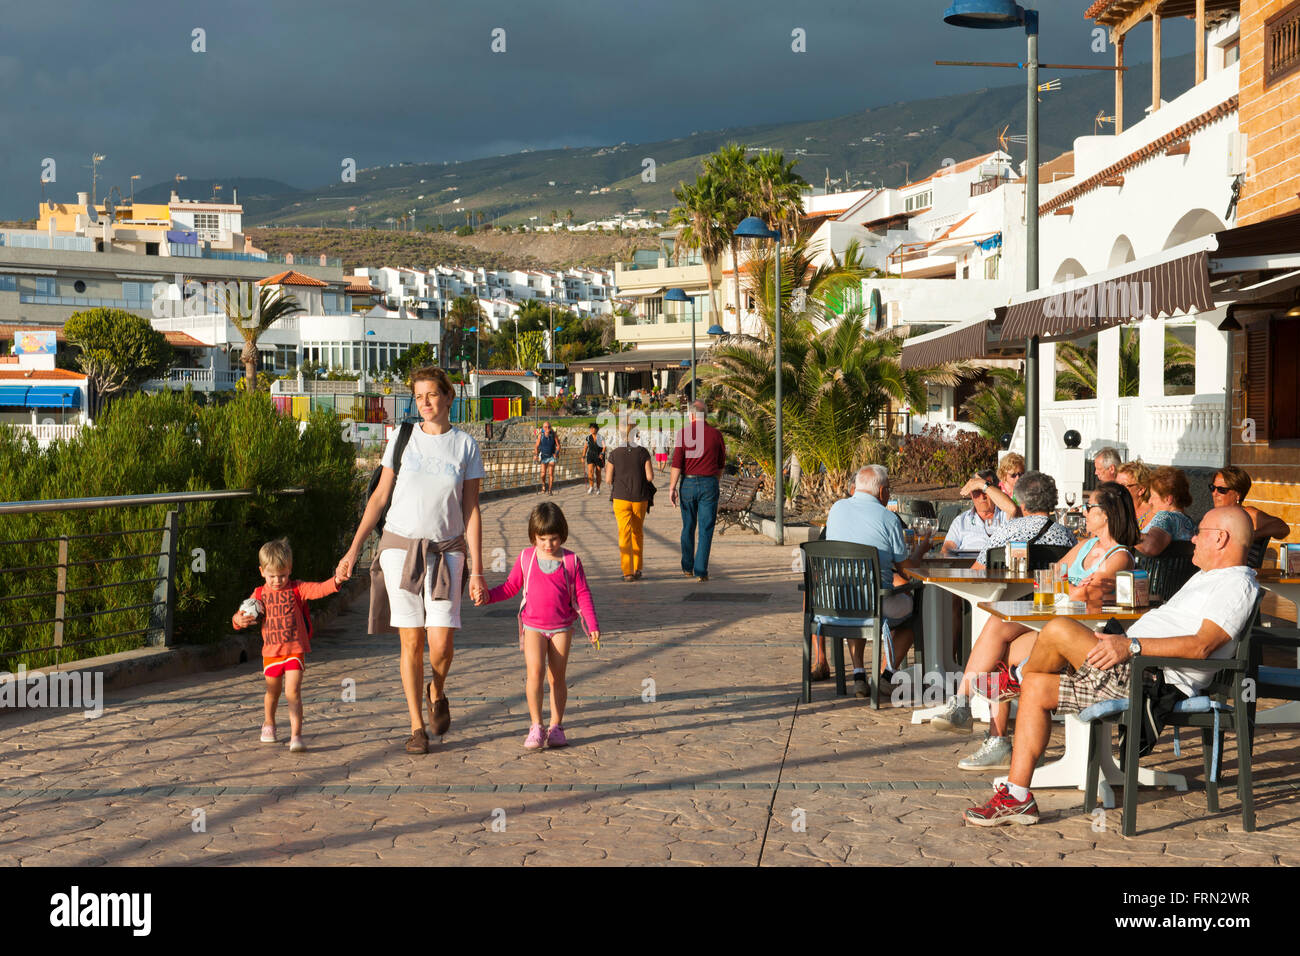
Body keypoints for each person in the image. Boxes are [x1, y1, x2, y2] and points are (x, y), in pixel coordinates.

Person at [963, 505, 1259, 826]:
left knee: (1059, 628)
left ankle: (1015, 678)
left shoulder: (1235, 585)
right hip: (1133, 663)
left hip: (1151, 674)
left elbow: (1203, 645)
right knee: (1038, 684)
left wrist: (1131, 645)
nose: (1192, 539)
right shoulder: (1206, 578)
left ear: (1221, 539)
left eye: (1199, 532)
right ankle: (1018, 796)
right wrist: (1119, 637)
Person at [933, 474, 1132, 771]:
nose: (1084, 512)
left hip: (1084, 635)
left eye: (1089, 508)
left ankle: (989, 729)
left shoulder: (1120, 556)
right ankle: (984, 724)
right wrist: (1070, 586)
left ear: (1107, 514)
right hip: (1057, 619)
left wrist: (1070, 586)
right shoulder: (1084, 545)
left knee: (999, 637)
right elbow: (1053, 577)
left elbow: (1082, 592)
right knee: (999, 629)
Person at [335, 366, 486, 755]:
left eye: (432, 395)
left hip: (446, 552)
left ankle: (437, 687)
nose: (425, 403)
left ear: (449, 398)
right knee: (411, 641)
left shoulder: (465, 446)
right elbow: (379, 498)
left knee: (441, 644)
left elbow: (471, 510)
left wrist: (478, 571)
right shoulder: (402, 438)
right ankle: (417, 726)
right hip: (399, 550)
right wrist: (354, 550)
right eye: (418, 396)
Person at [477, 503, 599, 749]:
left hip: (562, 627)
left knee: (557, 678)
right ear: (533, 536)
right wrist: (489, 596)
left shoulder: (571, 561)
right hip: (532, 626)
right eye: (542, 539)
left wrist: (592, 623)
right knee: (535, 673)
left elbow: (583, 593)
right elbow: (511, 587)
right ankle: (536, 725)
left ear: (561, 535)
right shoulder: (526, 558)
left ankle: (556, 726)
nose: (548, 544)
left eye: (553, 539)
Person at [820, 465, 928, 697]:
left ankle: (859, 674)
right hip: (874, 604)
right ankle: (887, 676)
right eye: (888, 489)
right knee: (915, 613)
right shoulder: (888, 518)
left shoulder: (836, 509)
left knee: (856, 599)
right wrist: (920, 550)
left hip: (837, 603)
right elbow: (906, 570)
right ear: (881, 492)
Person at [233, 538, 342, 753]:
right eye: (272, 576)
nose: (277, 580)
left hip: (295, 651)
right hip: (271, 654)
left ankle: (296, 736)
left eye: (282, 575)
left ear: (290, 570)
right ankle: (269, 724)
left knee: (293, 692)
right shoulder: (258, 596)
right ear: (262, 571)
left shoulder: (297, 589)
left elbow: (319, 589)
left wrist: (336, 580)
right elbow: (240, 616)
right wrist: (239, 620)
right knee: (272, 692)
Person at [669, 400, 727, 582]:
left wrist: (672, 488)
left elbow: (677, 464)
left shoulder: (683, 434)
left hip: (688, 484)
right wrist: (713, 481)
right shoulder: (716, 435)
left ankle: (687, 566)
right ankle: (701, 570)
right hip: (709, 483)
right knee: (705, 528)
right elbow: (721, 464)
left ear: (692, 415)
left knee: (688, 527)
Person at [606, 421, 656, 581]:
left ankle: (627, 571)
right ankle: (638, 568)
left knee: (624, 533)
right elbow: (650, 477)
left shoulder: (614, 454)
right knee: (637, 532)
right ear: (636, 434)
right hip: (640, 497)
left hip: (620, 498)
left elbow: (607, 479)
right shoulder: (643, 453)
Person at [1210, 466, 1290, 546]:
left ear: (1238, 495)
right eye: (1212, 488)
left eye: (1221, 490)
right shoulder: (1217, 515)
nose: (1214, 493)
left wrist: (1253, 535)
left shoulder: (1246, 514)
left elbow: (1282, 528)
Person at [943, 468, 1007, 556]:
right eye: (977, 490)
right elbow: (947, 550)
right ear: (971, 494)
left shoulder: (1007, 516)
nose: (982, 496)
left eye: (986, 490)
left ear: (997, 490)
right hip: (966, 567)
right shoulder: (961, 521)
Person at [1136, 466, 1195, 557]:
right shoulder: (1189, 523)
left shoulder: (1165, 517)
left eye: (1152, 496)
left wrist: (1122, 532)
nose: (1149, 501)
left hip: (1149, 571)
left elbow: (1149, 547)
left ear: (1168, 499)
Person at [959, 454, 1025, 519]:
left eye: (1021, 474)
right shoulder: (996, 489)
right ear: (1004, 475)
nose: (1018, 478)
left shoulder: (1025, 490)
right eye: (1013, 475)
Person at [1116, 460, 1154, 528]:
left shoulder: (1151, 516)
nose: (1117, 489)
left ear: (1141, 490)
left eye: (1123, 485)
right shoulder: (1116, 508)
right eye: (1116, 484)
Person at [535, 420, 560, 495]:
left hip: (552, 456)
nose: (547, 428)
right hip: (543, 456)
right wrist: (536, 455)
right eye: (545, 427)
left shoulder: (554, 435)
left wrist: (556, 453)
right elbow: (536, 446)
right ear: (543, 428)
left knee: (551, 473)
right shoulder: (540, 435)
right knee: (543, 474)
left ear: (550, 427)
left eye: (549, 426)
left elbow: (558, 446)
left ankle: (550, 490)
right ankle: (543, 485)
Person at [583, 422, 606, 495]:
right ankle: (591, 486)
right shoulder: (588, 438)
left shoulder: (601, 437)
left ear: (597, 429)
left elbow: (604, 446)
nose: (592, 429)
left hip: (599, 456)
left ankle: (598, 488)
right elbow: (586, 447)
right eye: (591, 428)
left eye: (593, 428)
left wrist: (602, 453)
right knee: (590, 471)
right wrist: (583, 456)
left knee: (598, 473)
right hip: (590, 456)